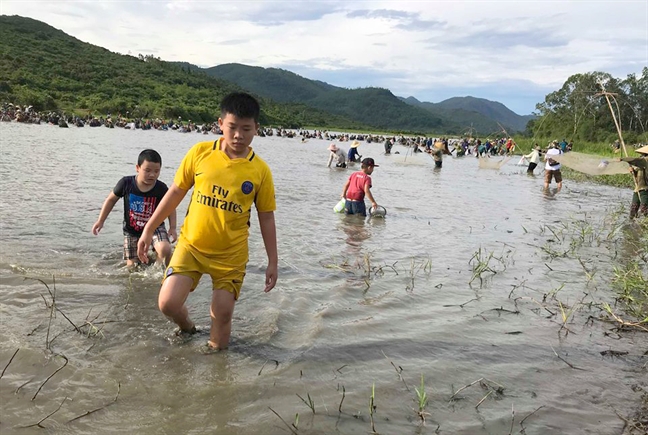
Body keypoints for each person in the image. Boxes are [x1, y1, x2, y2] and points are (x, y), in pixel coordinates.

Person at [136, 92, 278, 351]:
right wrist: (148, 228)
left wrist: (273, 261)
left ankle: (217, 370)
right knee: (167, 303)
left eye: (246, 129)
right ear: (220, 123)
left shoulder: (260, 171)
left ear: (256, 129)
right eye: (232, 127)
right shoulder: (200, 153)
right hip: (191, 246)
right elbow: (175, 193)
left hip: (231, 255)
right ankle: (188, 327)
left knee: (222, 315)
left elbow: (266, 217)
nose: (238, 135)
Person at [92, 149, 176, 268]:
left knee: (165, 249)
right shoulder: (126, 183)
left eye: (156, 171)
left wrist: (172, 227)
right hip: (132, 231)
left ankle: (162, 272)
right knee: (132, 267)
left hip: (155, 228)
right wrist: (101, 220)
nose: (152, 175)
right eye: (147, 170)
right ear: (137, 168)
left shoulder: (161, 188)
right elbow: (110, 200)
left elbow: (171, 206)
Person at [620, 145, 648, 219]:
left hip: (645, 189)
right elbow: (638, 175)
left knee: (644, 209)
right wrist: (633, 171)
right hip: (638, 189)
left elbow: (636, 160)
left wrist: (623, 159)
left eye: (644, 155)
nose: (642, 156)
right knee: (633, 209)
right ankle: (632, 224)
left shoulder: (645, 160)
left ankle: (645, 223)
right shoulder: (642, 163)